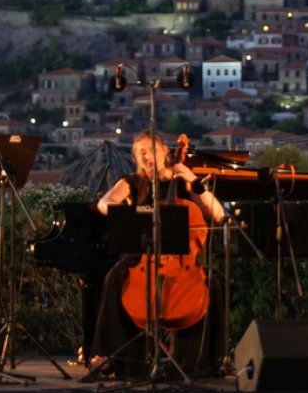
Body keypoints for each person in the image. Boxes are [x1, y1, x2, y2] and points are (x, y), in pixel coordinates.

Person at [90, 131, 227, 378]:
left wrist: (193, 179)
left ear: (165, 152)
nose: (146, 157)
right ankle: (111, 356)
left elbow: (218, 214)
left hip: (182, 262)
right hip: (141, 259)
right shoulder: (131, 183)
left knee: (213, 282)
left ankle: (201, 360)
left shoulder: (184, 183)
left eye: (151, 150)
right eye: (140, 153)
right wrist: (134, 211)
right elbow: (103, 204)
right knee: (115, 277)